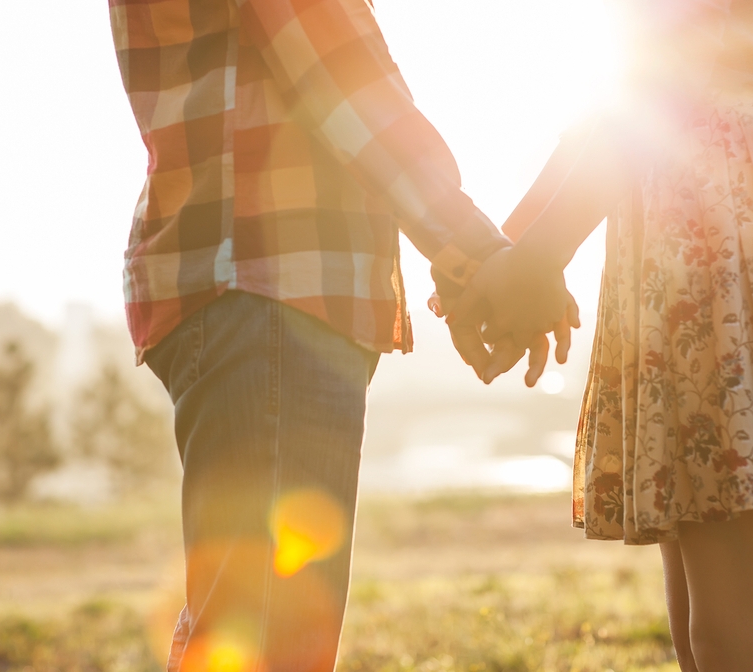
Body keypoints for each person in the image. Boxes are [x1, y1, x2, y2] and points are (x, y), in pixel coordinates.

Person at [450, 1, 753, 669]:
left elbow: (667, 81)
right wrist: (499, 256)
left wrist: (529, 260)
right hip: (685, 207)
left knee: (737, 635)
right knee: (710, 635)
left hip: (719, 211)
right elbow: (614, 106)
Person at [107, 0, 571, 669]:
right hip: (269, 280)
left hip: (239, 279)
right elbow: (346, 86)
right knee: (271, 638)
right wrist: (478, 255)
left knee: (243, 623)